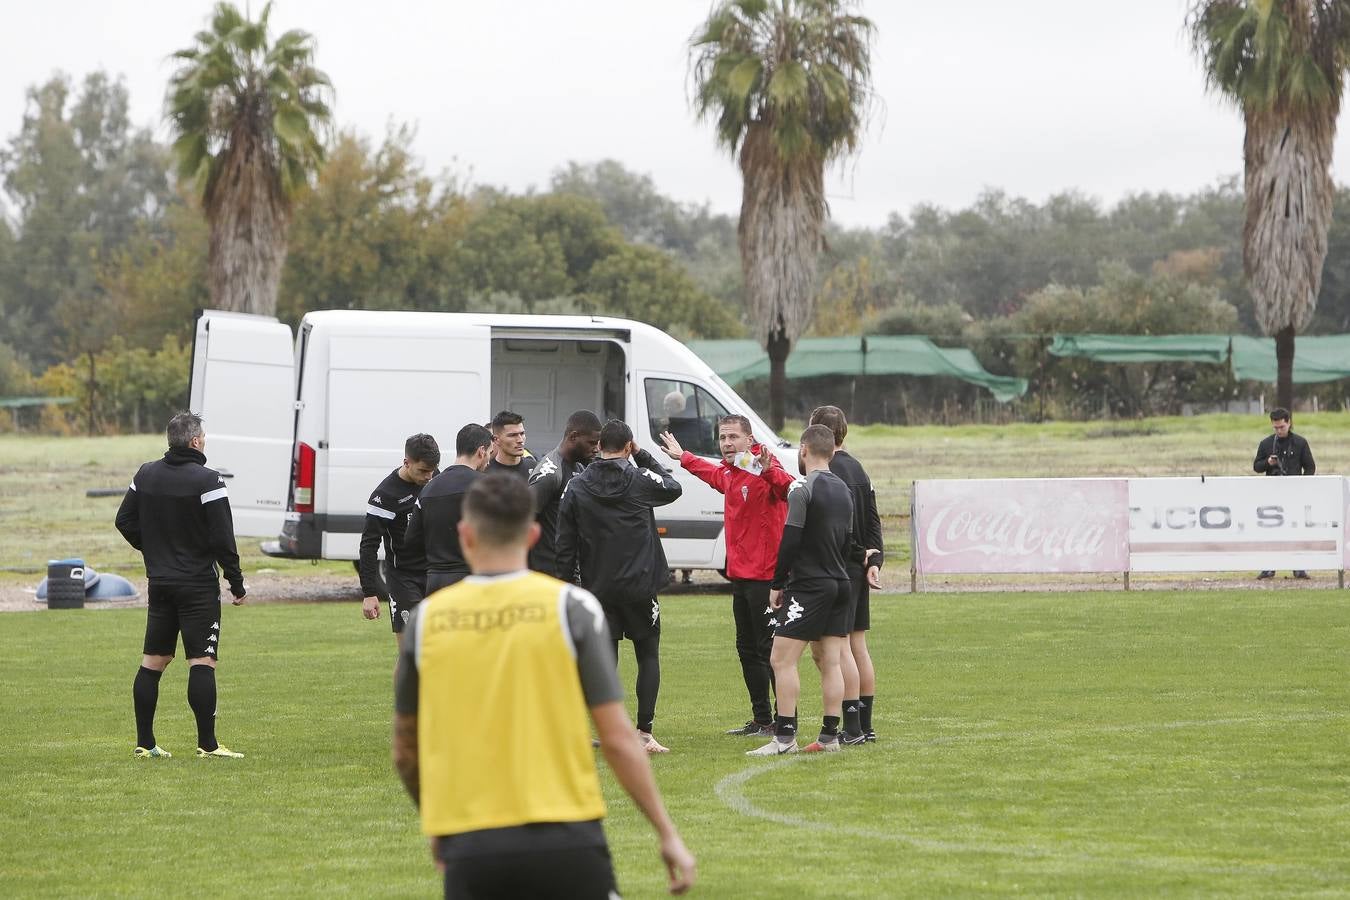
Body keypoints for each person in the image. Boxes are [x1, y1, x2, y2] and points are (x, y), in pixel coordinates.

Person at [393, 474, 696, 899]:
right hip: (567, 835)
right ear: (534, 534)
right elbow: (617, 737)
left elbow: (406, 750)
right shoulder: (569, 608)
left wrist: (438, 821)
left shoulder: (427, 620)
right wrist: (666, 832)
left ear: (465, 534)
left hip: (472, 843)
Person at [115, 412, 248, 760]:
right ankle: (208, 744)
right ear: (195, 442)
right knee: (202, 661)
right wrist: (236, 582)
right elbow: (223, 537)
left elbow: (123, 520)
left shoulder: (145, 474)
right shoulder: (208, 480)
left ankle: (145, 743)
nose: (204, 440)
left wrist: (153, 549)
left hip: (160, 583)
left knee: (152, 662)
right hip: (196, 585)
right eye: (203, 436)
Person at [658, 414, 795, 738]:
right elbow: (714, 474)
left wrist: (769, 469)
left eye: (733, 437)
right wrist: (684, 457)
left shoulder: (763, 465)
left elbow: (788, 487)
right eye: (722, 437)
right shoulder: (733, 472)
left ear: (749, 439)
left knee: (769, 651)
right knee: (746, 649)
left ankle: (784, 719)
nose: (727, 443)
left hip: (765, 578)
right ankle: (762, 719)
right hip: (741, 576)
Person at [556, 420, 683, 753]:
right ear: (628, 446)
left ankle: (610, 731)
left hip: (599, 587)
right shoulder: (640, 479)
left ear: (599, 447)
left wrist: (568, 583)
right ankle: (644, 733)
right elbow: (672, 486)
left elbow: (564, 542)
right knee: (647, 654)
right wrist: (643, 456)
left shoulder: (577, 485)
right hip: (641, 585)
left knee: (605, 659)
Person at [748, 425, 854, 757]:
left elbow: (791, 538)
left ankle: (784, 737)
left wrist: (778, 583)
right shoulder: (844, 489)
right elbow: (847, 542)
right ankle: (829, 737)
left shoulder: (801, 487)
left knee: (781, 659)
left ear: (804, 450)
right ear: (833, 452)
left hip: (809, 586)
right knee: (829, 661)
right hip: (840, 584)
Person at [809, 406, 885, 744]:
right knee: (859, 647)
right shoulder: (858, 468)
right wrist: (874, 559)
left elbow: (842, 524)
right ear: (845, 432)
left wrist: (855, 554)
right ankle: (865, 726)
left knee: (837, 651)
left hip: (836, 565)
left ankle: (851, 725)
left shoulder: (828, 471)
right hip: (858, 567)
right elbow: (873, 518)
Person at [359, 433, 440, 639]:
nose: (429, 477)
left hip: (435, 573)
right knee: (411, 654)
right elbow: (369, 545)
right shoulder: (385, 495)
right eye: (423, 471)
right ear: (406, 462)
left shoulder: (434, 478)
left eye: (432, 471)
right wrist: (369, 593)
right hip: (404, 578)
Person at [406, 424, 492, 596]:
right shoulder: (486, 486)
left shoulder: (429, 489)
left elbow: (411, 541)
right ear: (481, 451)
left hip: (435, 581)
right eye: (489, 453)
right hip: (472, 579)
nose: (489, 460)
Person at [527, 410, 602, 577]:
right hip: (548, 572)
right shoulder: (550, 474)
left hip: (570, 569)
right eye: (591, 443)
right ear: (573, 436)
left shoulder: (579, 467)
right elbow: (522, 521)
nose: (596, 449)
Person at [1252, 407, 1317, 580]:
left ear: (1289, 423)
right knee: (1270, 531)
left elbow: (1310, 467)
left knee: (1296, 530)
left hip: (1295, 495)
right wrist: (1268, 462)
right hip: (1271, 496)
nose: (1279, 430)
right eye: (1275, 428)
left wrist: (1301, 484)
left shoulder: (1300, 443)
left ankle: (1298, 567)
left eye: (1282, 427)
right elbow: (1256, 467)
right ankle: (1269, 567)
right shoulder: (1266, 444)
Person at [485, 410, 534, 481]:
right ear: (496, 440)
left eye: (522, 433)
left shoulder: (535, 469)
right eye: (513, 435)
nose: (520, 440)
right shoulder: (484, 473)